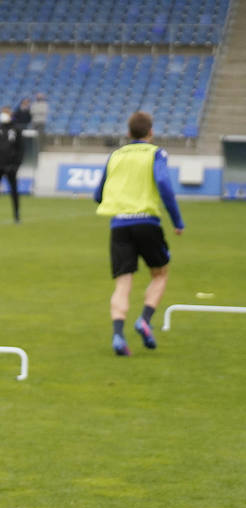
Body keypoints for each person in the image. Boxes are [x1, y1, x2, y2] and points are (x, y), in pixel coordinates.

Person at [92, 110, 184, 356]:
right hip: (147, 222)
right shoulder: (156, 153)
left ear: (128, 132)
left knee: (123, 283)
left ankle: (118, 336)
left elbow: (98, 195)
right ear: (151, 132)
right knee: (160, 274)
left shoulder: (115, 155)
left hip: (119, 225)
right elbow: (164, 184)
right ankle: (144, 319)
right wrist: (177, 220)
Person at [0, 106, 23, 223]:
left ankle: (16, 215)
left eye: (6, 113)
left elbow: (20, 148)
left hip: (11, 166)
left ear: (10, 114)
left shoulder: (16, 129)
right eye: (2, 113)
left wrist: (16, 165)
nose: (4, 115)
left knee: (14, 191)